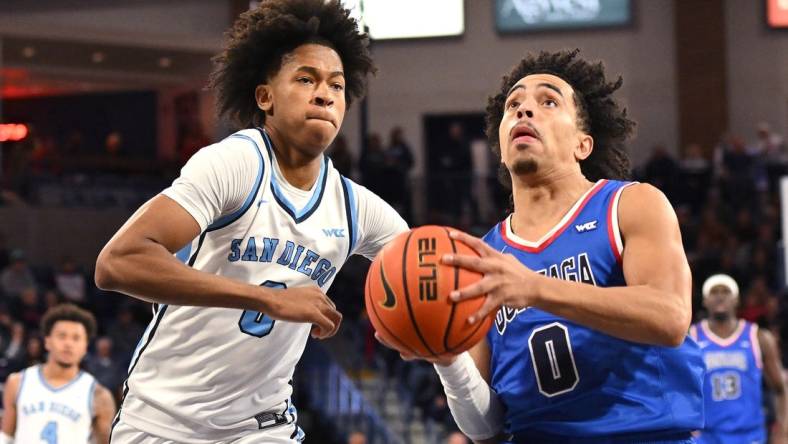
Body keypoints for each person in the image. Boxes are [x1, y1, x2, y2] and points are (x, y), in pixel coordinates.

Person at [94, 1, 407, 442]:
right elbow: (117, 263)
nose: (324, 94)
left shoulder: (356, 207)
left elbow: (429, 270)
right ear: (265, 97)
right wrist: (266, 299)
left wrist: (422, 328)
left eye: (336, 86)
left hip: (262, 426)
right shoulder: (236, 164)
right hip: (164, 419)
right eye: (305, 79)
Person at [379, 49, 704, 443]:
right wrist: (447, 360)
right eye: (513, 104)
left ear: (583, 144)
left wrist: (536, 288)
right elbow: (485, 427)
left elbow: (669, 317)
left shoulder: (630, 205)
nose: (524, 111)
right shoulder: (481, 258)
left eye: (548, 101)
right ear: (500, 145)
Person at [690, 274, 787, 444]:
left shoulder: (758, 337)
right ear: (705, 301)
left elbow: (781, 388)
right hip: (707, 436)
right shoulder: (692, 337)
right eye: (714, 292)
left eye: (726, 291)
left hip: (750, 436)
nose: (720, 296)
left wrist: (783, 430)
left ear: (736, 300)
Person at [1, 304, 116, 444]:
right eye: (62, 336)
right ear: (47, 341)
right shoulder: (18, 382)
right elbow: (6, 437)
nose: (68, 343)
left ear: (85, 347)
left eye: (76, 338)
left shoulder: (99, 395)